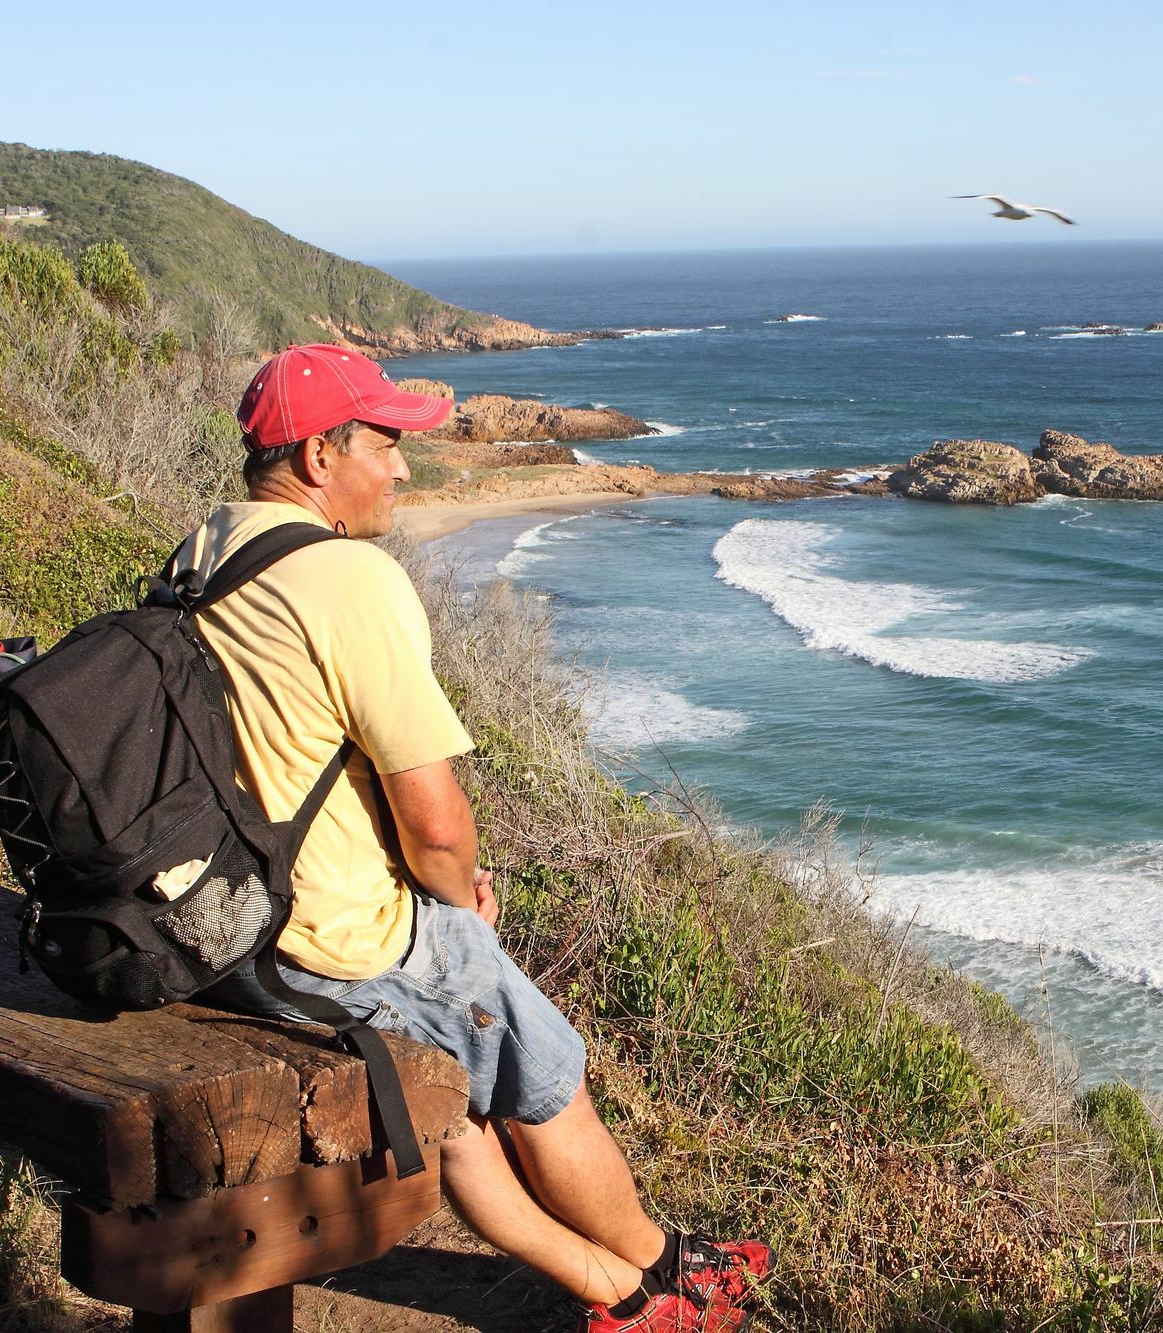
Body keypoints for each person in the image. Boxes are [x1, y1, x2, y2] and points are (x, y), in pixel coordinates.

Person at [176, 344, 770, 1332]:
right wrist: (459, 905)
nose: (403, 468)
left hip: (234, 925)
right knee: (546, 1068)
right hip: (335, 939)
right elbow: (436, 819)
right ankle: (663, 1278)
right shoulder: (345, 579)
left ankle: (627, 1284)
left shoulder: (204, 548)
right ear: (320, 456)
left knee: (452, 1110)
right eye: (385, 443)